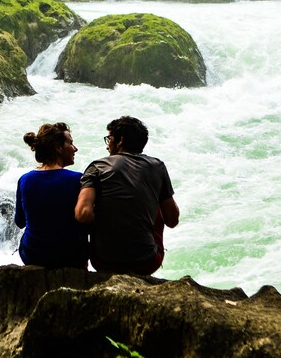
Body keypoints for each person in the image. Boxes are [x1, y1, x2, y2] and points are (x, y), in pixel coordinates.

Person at [74, 116, 179, 275]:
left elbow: (83, 214)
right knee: (156, 206)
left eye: (109, 139)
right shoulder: (158, 166)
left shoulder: (98, 166)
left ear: (120, 140)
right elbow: (172, 220)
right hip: (147, 262)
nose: (108, 145)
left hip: (103, 261)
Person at [15, 122, 88, 268]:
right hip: (70, 256)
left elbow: (20, 222)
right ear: (58, 148)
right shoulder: (78, 179)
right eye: (71, 143)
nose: (75, 149)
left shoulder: (25, 179)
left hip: (32, 254)